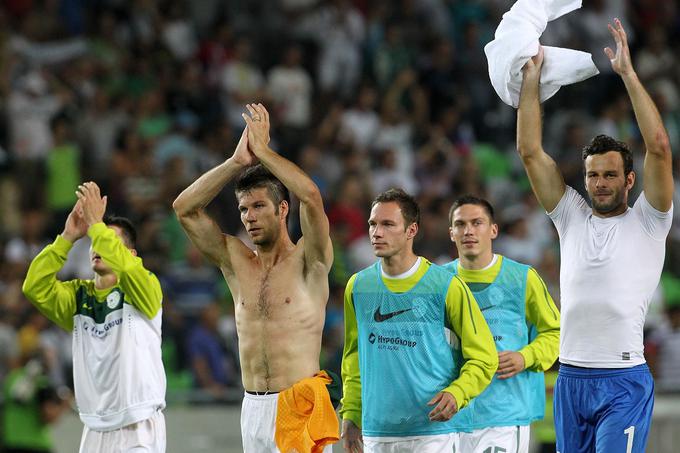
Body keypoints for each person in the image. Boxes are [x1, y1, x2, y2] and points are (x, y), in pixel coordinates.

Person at [517, 19, 673, 453]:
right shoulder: (571, 216)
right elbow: (530, 153)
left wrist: (627, 74)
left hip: (623, 380)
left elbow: (659, 145)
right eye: (592, 176)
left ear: (628, 181)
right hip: (570, 378)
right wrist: (531, 79)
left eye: (609, 175)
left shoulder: (650, 219)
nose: (600, 183)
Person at [173, 103, 338, 453]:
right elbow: (184, 209)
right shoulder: (234, 260)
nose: (249, 216)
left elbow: (310, 196)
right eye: (244, 209)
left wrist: (263, 152)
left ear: (282, 209)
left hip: (299, 403)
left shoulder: (311, 259)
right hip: (252, 406)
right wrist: (236, 163)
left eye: (259, 206)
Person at [341, 188, 498, 453]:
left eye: (388, 224)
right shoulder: (358, 286)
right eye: (373, 224)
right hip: (377, 431)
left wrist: (457, 393)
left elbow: (484, 356)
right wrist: (352, 412)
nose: (376, 233)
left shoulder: (446, 285)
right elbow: (354, 358)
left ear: (411, 230)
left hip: (433, 432)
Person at [22, 182, 166, 453]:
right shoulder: (78, 296)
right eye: (94, 241)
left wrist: (97, 225)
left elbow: (125, 266)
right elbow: (34, 287)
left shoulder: (144, 287)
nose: (97, 245)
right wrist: (66, 237)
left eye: (106, 240)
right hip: (94, 427)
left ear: (130, 253)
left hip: (138, 423)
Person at [444, 195, 560, 452]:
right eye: (460, 224)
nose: (469, 231)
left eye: (477, 223)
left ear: (493, 229)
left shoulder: (522, 278)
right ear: (451, 233)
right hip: (450, 416)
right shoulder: (438, 282)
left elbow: (556, 332)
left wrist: (525, 356)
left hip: (504, 414)